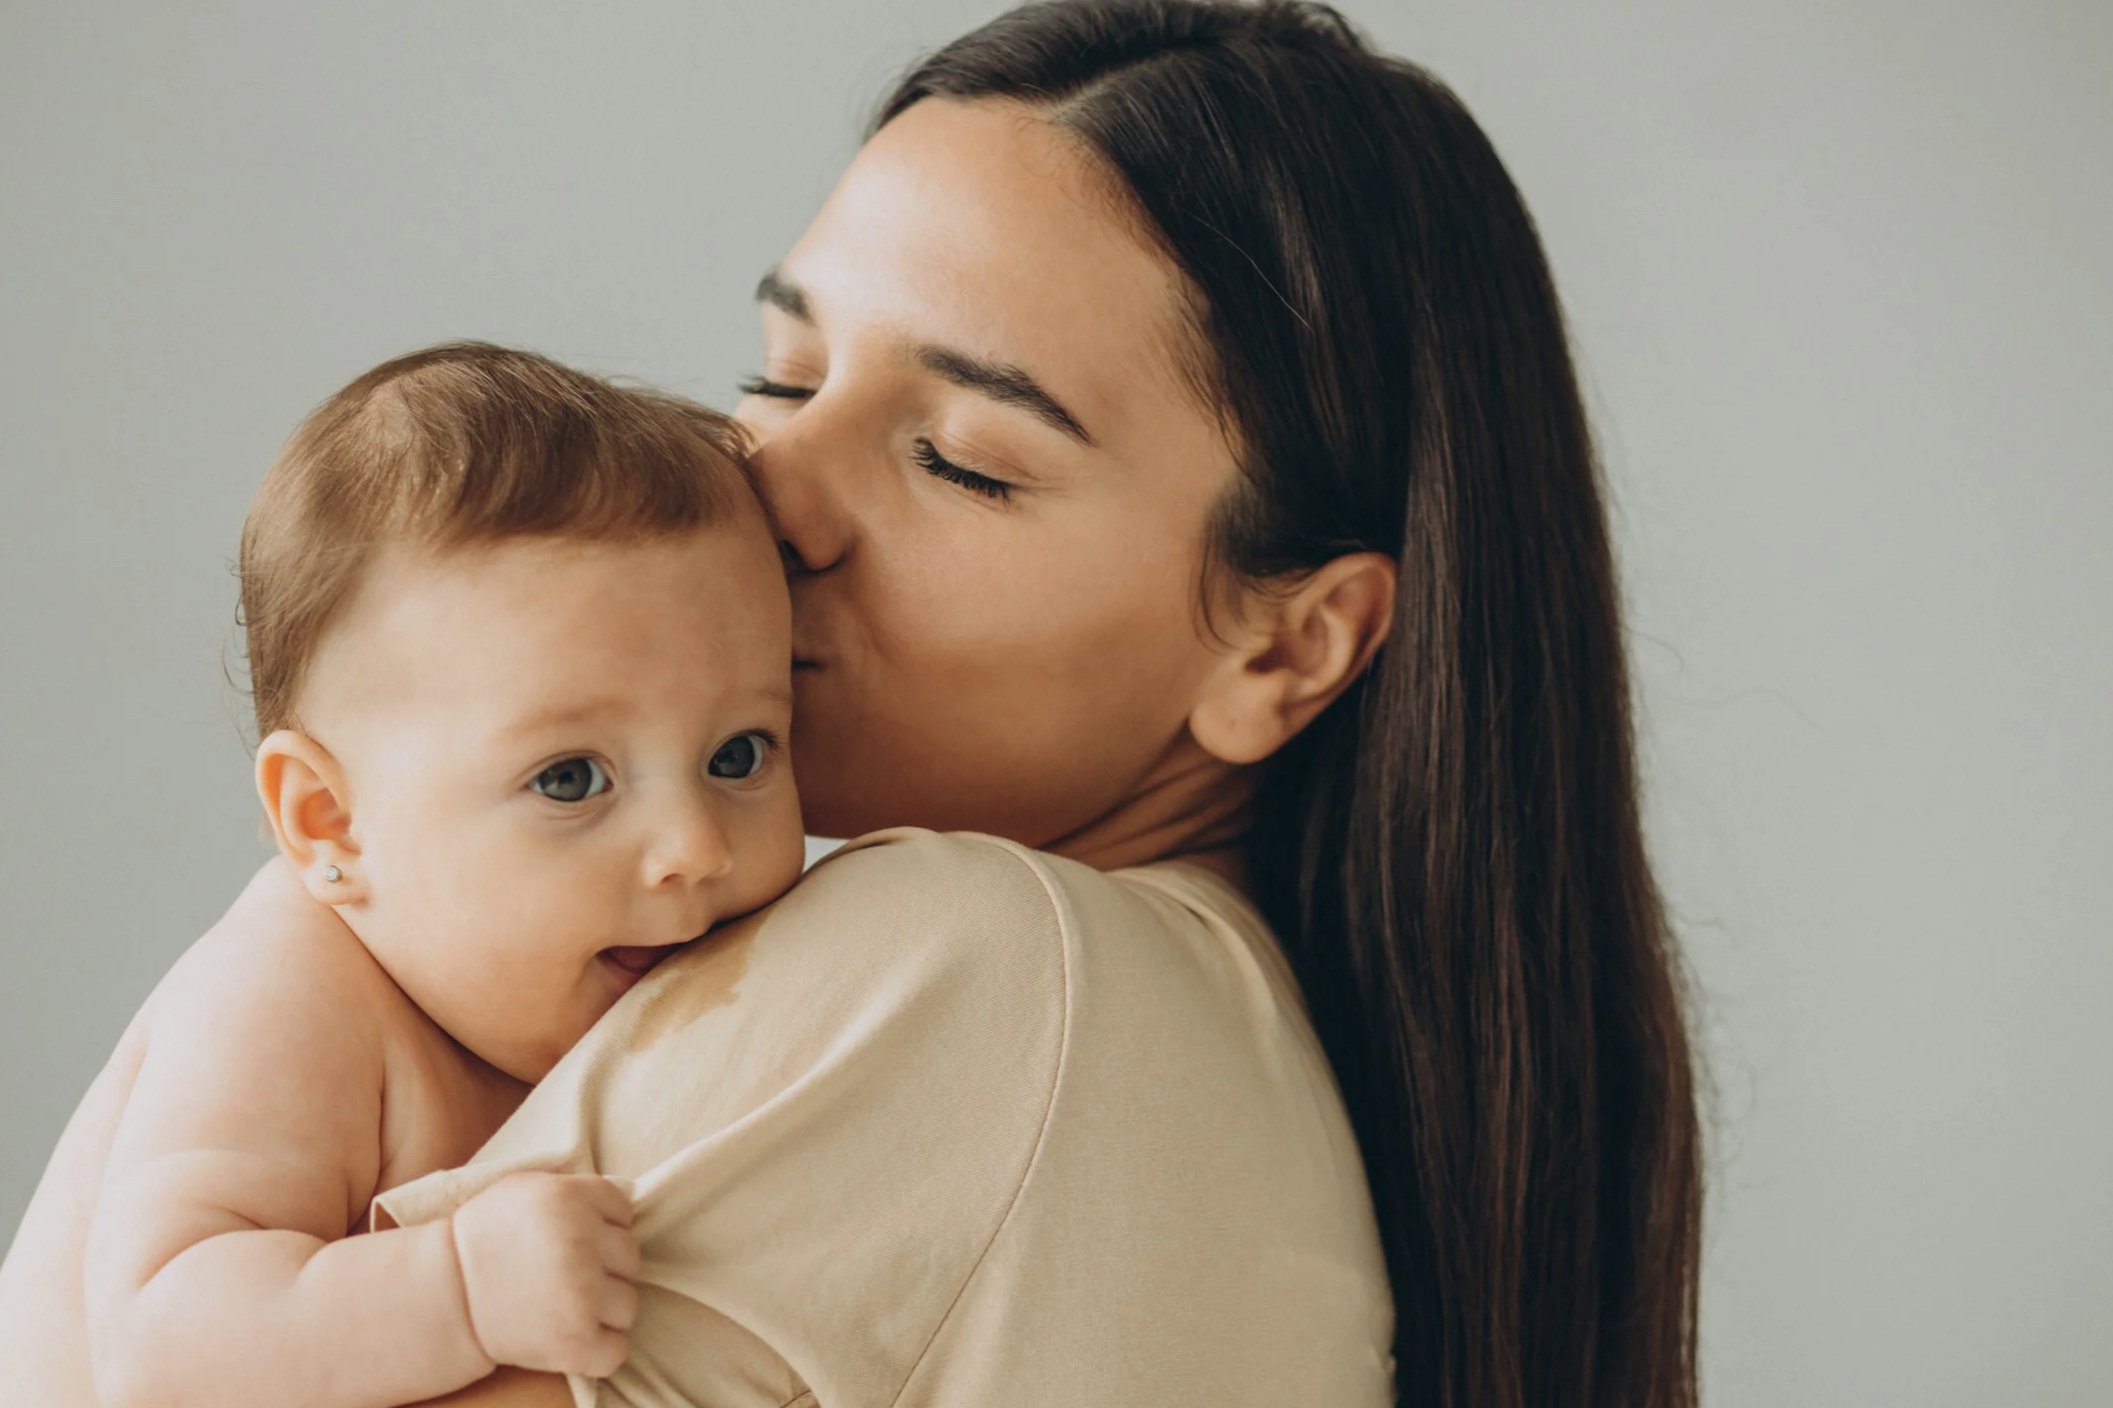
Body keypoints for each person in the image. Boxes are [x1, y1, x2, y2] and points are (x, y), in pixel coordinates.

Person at [13, 2, 1707, 1405]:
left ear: (1285, 644)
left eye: (959, 458)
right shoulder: (1223, 1047)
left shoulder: (984, 967)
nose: (768, 493)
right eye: (783, 376)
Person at [0, 344, 809, 1406]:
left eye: (738, 754)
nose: (694, 846)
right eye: (571, 777)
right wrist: (461, 1290)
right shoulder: (292, 996)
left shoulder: (605, 982)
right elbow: (160, 1353)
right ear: (331, 822)